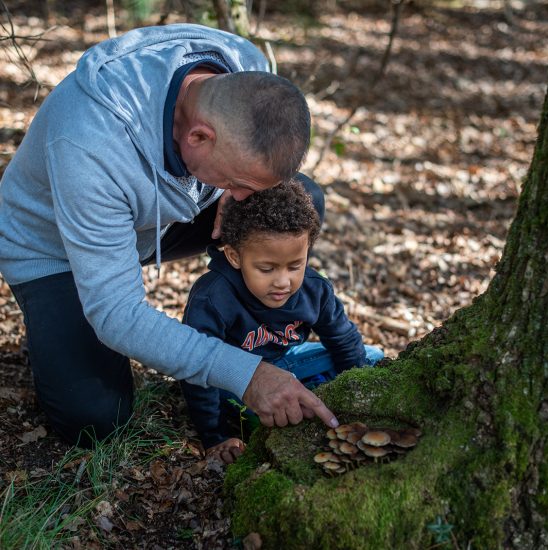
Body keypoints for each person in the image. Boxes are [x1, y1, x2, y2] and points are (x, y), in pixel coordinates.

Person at [0, 23, 339, 448]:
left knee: (301, 199)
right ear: (198, 136)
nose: (241, 197)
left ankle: (256, 332)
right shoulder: (89, 143)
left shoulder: (244, 65)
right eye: (237, 182)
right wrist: (244, 375)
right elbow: (117, 316)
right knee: (96, 418)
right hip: (53, 247)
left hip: (161, 217)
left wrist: (224, 189)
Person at [181, 180, 384, 463]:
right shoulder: (213, 297)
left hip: (288, 362)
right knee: (251, 411)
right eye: (266, 268)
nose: (283, 282)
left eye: (295, 266)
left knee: (372, 358)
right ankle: (304, 400)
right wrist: (214, 436)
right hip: (236, 382)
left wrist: (358, 392)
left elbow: (343, 339)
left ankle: (309, 396)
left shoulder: (315, 289)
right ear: (235, 256)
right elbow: (196, 368)